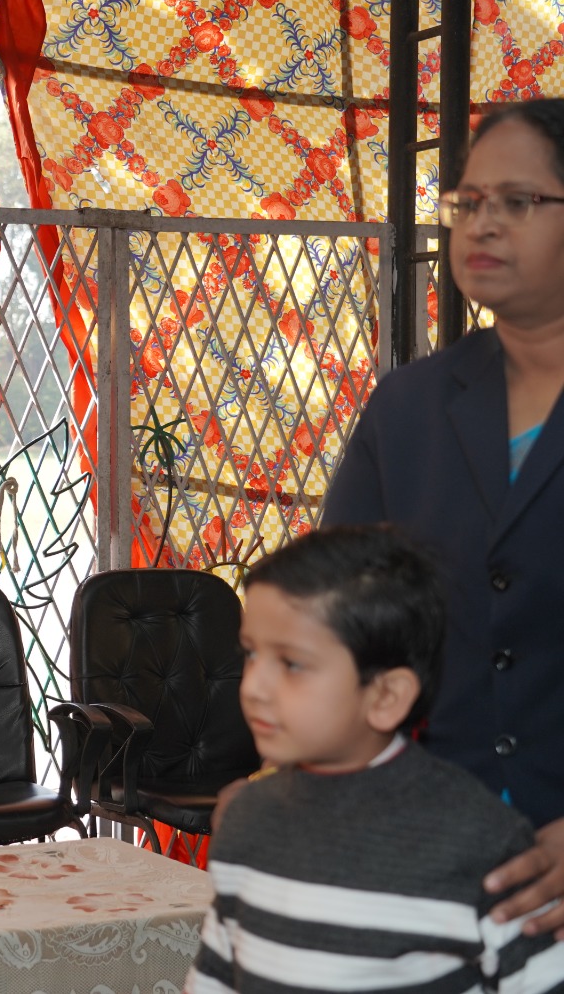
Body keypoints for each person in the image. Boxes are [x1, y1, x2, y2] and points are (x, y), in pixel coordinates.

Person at [323, 98, 564, 938]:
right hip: (431, 864)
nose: (483, 224)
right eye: (468, 202)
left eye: (518, 201)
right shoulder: (410, 406)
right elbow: (340, 617)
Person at [186, 525, 564, 992]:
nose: (254, 687)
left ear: (386, 696)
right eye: (251, 653)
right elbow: (217, 974)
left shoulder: (479, 839)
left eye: (292, 663)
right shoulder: (245, 820)